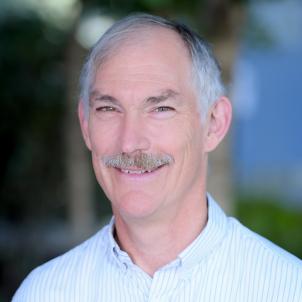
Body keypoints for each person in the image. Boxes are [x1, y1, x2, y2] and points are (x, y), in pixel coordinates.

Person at [13, 13, 302, 302]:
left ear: (214, 123)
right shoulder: (42, 293)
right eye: (108, 109)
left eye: (161, 109)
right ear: (86, 125)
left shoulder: (287, 289)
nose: (130, 143)